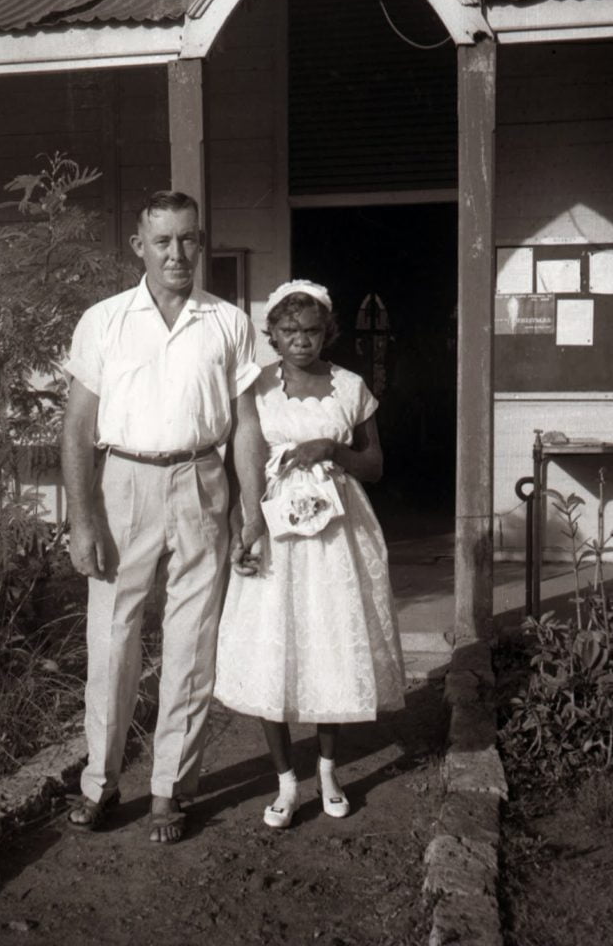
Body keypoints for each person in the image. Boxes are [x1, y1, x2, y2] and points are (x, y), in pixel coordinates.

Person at [61, 190, 265, 844]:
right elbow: (76, 429)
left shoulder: (229, 323)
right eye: (163, 241)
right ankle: (100, 781)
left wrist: (251, 510)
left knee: (191, 642)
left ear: (200, 242)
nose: (177, 254)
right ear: (139, 247)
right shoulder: (104, 321)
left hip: (204, 480)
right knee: (113, 640)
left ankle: (170, 787)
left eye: (188, 240)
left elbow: (246, 425)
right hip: (124, 481)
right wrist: (83, 519)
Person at [214, 279, 405, 829]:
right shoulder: (254, 387)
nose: (302, 340)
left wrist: (332, 449)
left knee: (329, 641)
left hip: (336, 533)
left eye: (313, 330)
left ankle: (326, 770)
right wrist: (240, 528)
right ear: (271, 334)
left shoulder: (350, 386)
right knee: (274, 646)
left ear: (328, 332)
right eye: (290, 330)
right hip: (275, 527)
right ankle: (284, 780)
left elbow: (375, 465)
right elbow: (240, 464)